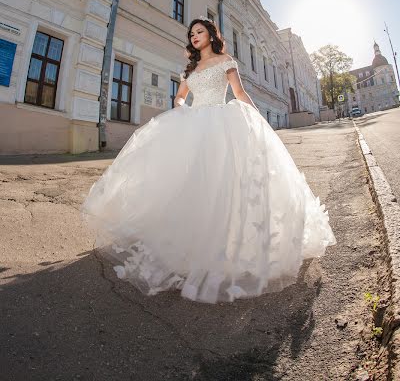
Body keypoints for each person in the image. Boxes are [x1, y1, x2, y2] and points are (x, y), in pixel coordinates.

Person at [81, 17, 336, 304]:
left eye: (199, 32)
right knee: (190, 181)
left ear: (211, 35)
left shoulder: (226, 60)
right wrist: (181, 109)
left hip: (221, 122)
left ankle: (228, 244)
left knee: (223, 181)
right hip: (193, 123)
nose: (194, 36)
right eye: (191, 34)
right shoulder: (190, 69)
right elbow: (179, 97)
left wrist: (258, 120)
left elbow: (239, 93)